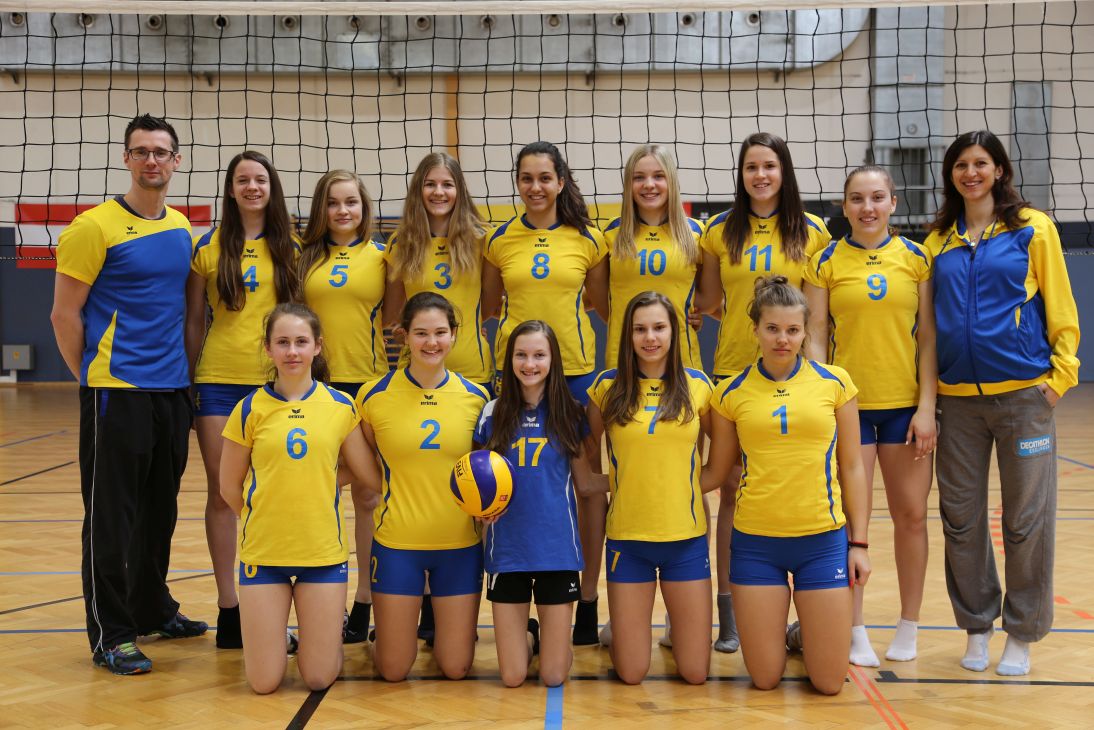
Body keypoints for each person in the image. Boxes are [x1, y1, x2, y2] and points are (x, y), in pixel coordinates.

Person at [51, 113, 207, 675]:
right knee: (111, 518)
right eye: (141, 151)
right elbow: (64, 315)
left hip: (171, 392)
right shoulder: (93, 227)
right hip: (116, 392)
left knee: (160, 512)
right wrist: (91, 377)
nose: (151, 160)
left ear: (176, 161)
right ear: (126, 159)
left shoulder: (181, 227)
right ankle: (111, 634)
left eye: (161, 152)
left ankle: (152, 608)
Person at [924, 130, 1080, 676]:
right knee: (960, 521)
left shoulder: (1033, 228)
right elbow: (927, 325)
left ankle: (1022, 632)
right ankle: (977, 626)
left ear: (999, 170)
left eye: (981, 163)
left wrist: (1059, 380)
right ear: (951, 175)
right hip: (957, 405)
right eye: (961, 165)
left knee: (1026, 521)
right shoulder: (936, 242)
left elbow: (1061, 306)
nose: (971, 173)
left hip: (1023, 399)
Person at [695, 132, 832, 653]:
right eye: (751, 167)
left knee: (796, 489)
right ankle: (731, 613)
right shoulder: (719, 232)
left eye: (769, 166)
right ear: (741, 174)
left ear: (784, 171)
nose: (760, 175)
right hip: (734, 374)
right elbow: (709, 300)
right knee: (733, 490)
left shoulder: (812, 232)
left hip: (797, 377)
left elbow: (814, 316)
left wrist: (816, 377)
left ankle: (802, 615)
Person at [703, 275, 871, 695]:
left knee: (829, 684)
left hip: (822, 542)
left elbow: (853, 466)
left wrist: (859, 544)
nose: (783, 339)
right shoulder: (730, 393)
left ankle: (803, 633)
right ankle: (792, 630)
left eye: (793, 330)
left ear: (805, 331)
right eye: (773, 329)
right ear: (755, 329)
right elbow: (717, 473)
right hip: (756, 545)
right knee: (764, 679)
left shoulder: (835, 383)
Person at [803, 165, 937, 665]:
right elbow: (816, 336)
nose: (868, 207)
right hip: (849, 409)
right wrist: (822, 402)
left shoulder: (917, 259)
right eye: (857, 199)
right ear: (845, 206)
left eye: (878, 197)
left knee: (911, 517)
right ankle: (855, 627)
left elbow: (928, 338)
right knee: (849, 522)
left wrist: (927, 407)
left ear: (893, 203)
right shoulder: (825, 261)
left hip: (905, 409)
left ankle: (909, 625)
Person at [481, 141, 609, 644]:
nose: (535, 187)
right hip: (515, 375)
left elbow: (600, 302)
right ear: (517, 182)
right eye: (526, 178)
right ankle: (516, 591)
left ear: (560, 182)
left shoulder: (588, 238)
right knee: (514, 482)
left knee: (585, 487)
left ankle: (586, 598)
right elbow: (491, 306)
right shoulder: (499, 240)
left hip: (575, 373)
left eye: (544, 178)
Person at [220, 303, 380, 694]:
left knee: (319, 678)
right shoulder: (249, 409)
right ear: (268, 348)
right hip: (264, 554)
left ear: (317, 347)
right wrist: (263, 515)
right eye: (283, 342)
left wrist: (321, 478)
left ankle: (318, 638)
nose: (292, 351)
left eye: (301, 342)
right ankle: (283, 638)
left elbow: (366, 473)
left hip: (322, 554)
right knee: (263, 683)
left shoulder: (340, 407)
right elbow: (228, 486)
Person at [186, 150, 300, 649]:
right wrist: (190, 380)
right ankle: (229, 608)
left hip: (274, 386)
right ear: (231, 190)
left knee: (273, 494)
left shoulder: (293, 246)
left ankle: (274, 610)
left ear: (271, 188)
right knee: (223, 492)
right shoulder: (207, 247)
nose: (252, 187)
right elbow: (194, 320)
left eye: (260, 179)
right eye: (242, 180)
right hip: (217, 382)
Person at [356, 292, 490, 681]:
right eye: (421, 333)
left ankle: (524, 636)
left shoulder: (476, 398)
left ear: (454, 335)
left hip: (459, 546)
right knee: (394, 669)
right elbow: (364, 463)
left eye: (440, 333)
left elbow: (487, 467)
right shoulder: (374, 396)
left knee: (456, 668)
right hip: (397, 544)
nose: (432, 342)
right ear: (404, 335)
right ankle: (384, 639)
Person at [586, 292, 714, 685]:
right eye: (640, 329)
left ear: (674, 332)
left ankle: (656, 628)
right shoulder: (607, 387)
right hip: (628, 541)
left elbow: (723, 463)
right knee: (631, 673)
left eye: (659, 327)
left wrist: (679, 486)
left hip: (685, 541)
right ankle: (622, 629)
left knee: (695, 673)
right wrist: (608, 484)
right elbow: (585, 455)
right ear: (628, 335)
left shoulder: (698, 386)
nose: (650, 338)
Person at [475, 320, 598, 687]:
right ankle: (530, 636)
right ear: (510, 360)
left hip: (557, 551)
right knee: (512, 677)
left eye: (539, 355)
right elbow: (476, 480)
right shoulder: (492, 412)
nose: (530, 364)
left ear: (553, 360)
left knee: (554, 676)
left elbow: (586, 483)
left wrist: (638, 481)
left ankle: (553, 644)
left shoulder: (571, 413)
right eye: (521, 355)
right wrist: (481, 511)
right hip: (508, 550)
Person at [297, 169, 390, 647]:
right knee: (318, 494)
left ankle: (365, 601)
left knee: (368, 497)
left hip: (368, 383)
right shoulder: (303, 258)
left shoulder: (383, 256)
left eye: (351, 202)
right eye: (333, 203)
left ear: (364, 207)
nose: (342, 211)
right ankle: (319, 600)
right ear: (322, 209)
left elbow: (399, 316)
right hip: (316, 386)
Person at [603, 144, 704, 369]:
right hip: (623, 361)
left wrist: (693, 313)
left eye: (659, 176)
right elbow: (602, 302)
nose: (649, 184)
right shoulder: (611, 234)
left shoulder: (696, 233)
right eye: (639, 177)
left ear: (672, 182)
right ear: (629, 184)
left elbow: (711, 297)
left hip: (682, 360)